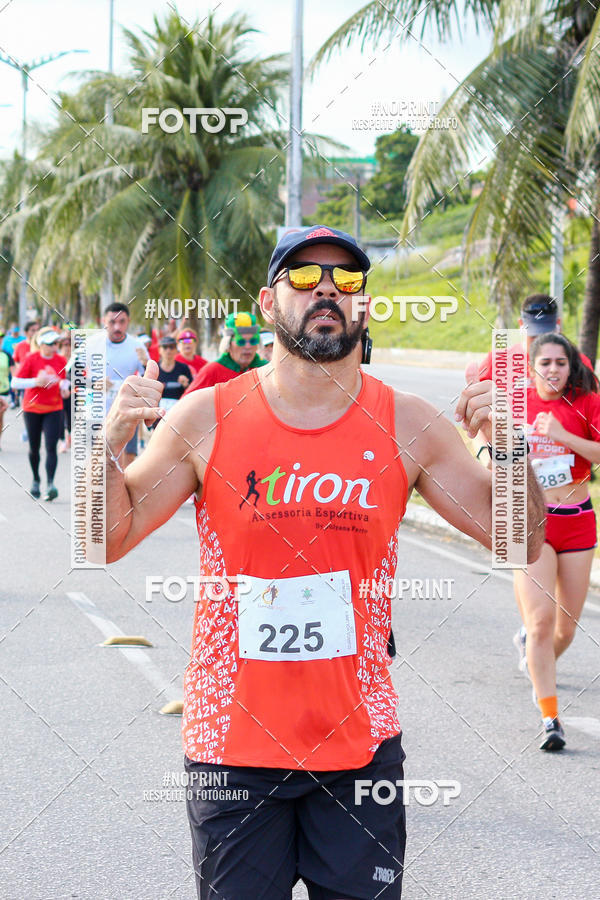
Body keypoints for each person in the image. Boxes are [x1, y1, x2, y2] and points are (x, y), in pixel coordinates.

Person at [100, 225, 545, 899]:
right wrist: (104, 447)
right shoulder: (206, 417)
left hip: (359, 751)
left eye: (347, 279)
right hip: (232, 748)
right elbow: (105, 537)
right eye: (305, 278)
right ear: (268, 301)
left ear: (365, 304)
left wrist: (510, 444)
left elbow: (521, 539)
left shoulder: (409, 424)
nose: (328, 290)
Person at [512, 333, 600, 752]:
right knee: (541, 623)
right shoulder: (516, 405)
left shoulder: (586, 403)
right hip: (529, 521)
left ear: (570, 366)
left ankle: (535, 656)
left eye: (560, 363)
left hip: (578, 519)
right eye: (544, 363)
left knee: (566, 629)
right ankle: (550, 717)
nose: (552, 370)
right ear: (532, 367)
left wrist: (563, 435)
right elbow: (486, 448)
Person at [478, 294, 593, 383]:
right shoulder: (496, 363)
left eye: (546, 336)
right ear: (521, 324)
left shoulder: (579, 364)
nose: (540, 343)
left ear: (558, 325)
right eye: (534, 336)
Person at [89, 302, 148, 468]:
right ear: (103, 321)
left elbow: (148, 379)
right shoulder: (91, 344)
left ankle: (124, 490)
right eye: (112, 322)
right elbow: (71, 374)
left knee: (128, 453)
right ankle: (96, 491)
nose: (117, 327)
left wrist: (146, 363)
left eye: (121, 322)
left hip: (126, 406)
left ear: (128, 321)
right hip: (95, 404)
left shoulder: (137, 346)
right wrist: (94, 383)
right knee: (97, 453)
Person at [12, 328, 68, 500]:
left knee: (51, 447)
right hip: (32, 408)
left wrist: (64, 388)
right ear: (42, 344)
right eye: (50, 344)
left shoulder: (60, 360)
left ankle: (50, 485)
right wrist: (35, 381)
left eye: (56, 343)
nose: (54, 347)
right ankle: (36, 479)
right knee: (34, 448)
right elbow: (15, 382)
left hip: (54, 408)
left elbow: (63, 382)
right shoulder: (31, 359)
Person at [185, 312, 267, 392]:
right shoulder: (212, 371)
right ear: (228, 345)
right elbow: (186, 402)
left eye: (253, 341)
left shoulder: (266, 368)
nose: (248, 346)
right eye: (241, 341)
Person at [153, 335, 192, 418]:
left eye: (172, 347)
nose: (168, 350)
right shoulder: (154, 369)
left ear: (176, 350)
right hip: (158, 414)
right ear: (159, 350)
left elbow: (192, 393)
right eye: (165, 347)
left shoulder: (184, 368)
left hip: (179, 413)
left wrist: (186, 385)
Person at [57, 333, 72, 452]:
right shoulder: (57, 360)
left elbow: (81, 378)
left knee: (72, 419)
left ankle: (70, 438)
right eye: (64, 345)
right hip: (58, 394)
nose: (67, 347)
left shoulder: (76, 361)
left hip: (73, 394)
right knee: (60, 418)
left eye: (69, 345)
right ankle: (62, 441)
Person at [0, 331, 15, 449]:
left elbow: (13, 372)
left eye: (1, 338)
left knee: (0, 418)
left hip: (3, 390)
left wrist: (14, 384)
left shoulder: (6, 355)